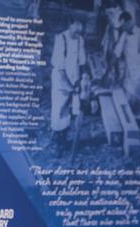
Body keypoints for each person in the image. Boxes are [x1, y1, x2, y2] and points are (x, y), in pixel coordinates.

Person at [50, 18, 86, 155]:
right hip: (61, 80)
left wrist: (82, 80)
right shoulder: (61, 39)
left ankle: (66, 138)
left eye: (79, 32)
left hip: (74, 79)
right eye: (75, 32)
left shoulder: (79, 40)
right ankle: (58, 142)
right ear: (69, 26)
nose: (76, 34)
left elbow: (82, 62)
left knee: (72, 110)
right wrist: (69, 86)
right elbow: (60, 69)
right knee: (59, 110)